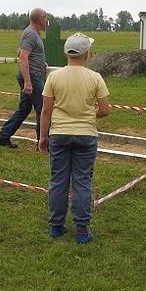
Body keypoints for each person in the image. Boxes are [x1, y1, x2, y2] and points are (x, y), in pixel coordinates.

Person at [39, 33, 110, 243]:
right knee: (82, 182)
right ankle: (82, 230)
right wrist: (88, 114)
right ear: (87, 54)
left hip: (59, 135)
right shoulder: (95, 78)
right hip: (86, 136)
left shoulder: (54, 77)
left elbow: (45, 111)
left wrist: (43, 137)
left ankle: (56, 226)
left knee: (58, 180)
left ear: (65, 53)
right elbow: (105, 110)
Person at [0, 8, 49, 148]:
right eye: (46, 17)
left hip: (33, 75)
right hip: (32, 77)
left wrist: (42, 63)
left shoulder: (33, 34)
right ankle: (42, 144)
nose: (47, 21)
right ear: (41, 19)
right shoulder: (30, 34)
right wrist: (28, 82)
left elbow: (28, 55)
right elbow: (23, 57)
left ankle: (2, 137)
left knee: (24, 109)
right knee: (42, 108)